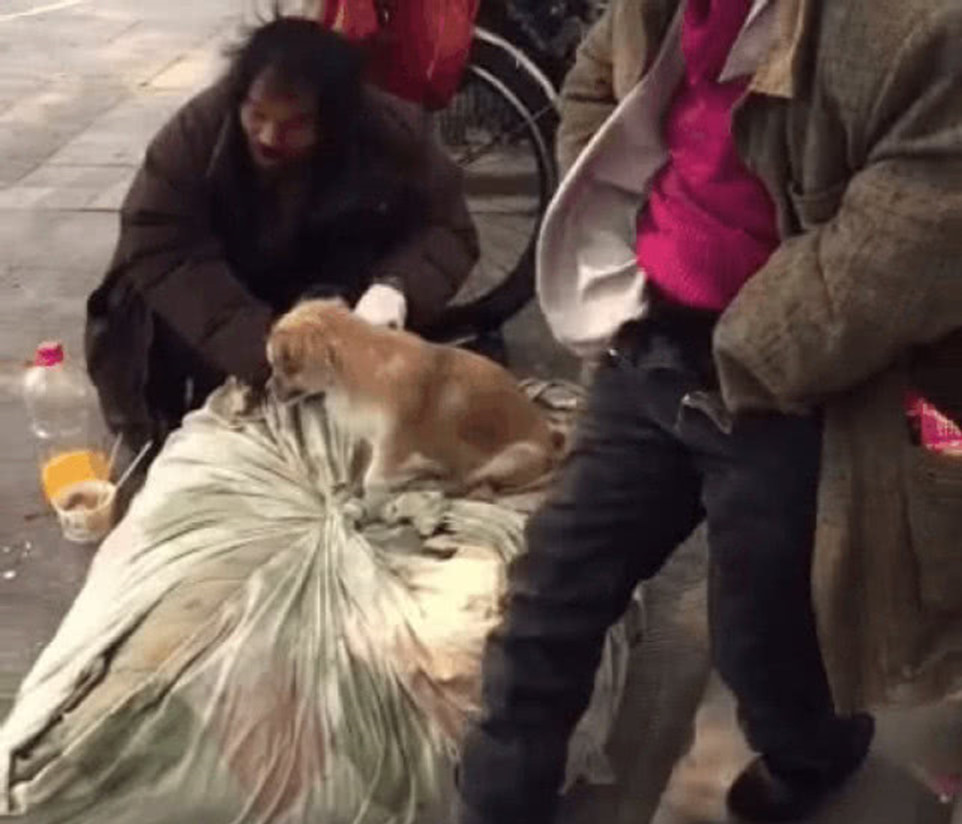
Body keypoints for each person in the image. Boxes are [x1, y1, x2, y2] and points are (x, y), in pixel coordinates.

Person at [457, 0, 962, 823]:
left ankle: (811, 762)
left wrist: (754, 345)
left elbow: (915, 231)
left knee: (764, 641)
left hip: (784, 380)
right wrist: (621, 240)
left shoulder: (913, 27)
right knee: (549, 598)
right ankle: (496, 807)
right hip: (653, 345)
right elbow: (596, 75)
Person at [85, 17, 479, 452]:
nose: (270, 136)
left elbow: (448, 229)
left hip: (332, 297)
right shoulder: (196, 135)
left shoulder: (391, 130)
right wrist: (267, 350)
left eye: (294, 124)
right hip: (222, 294)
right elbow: (161, 243)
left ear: (334, 118)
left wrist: (395, 288)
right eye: (257, 115)